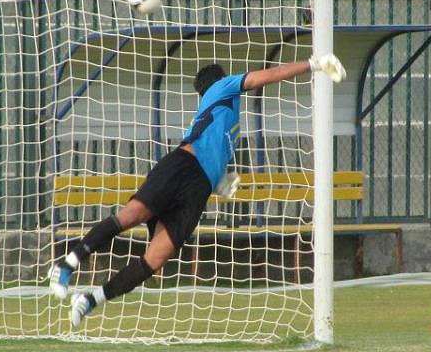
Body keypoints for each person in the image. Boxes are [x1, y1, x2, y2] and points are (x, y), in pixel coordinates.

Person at [49, 53, 347, 327]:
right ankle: (67, 263)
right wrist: (313, 65)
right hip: (182, 167)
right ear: (219, 81)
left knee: (156, 258)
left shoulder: (229, 123)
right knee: (133, 215)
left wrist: (220, 180)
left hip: (198, 188)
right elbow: (261, 77)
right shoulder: (222, 89)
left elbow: (212, 152)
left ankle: (90, 299)